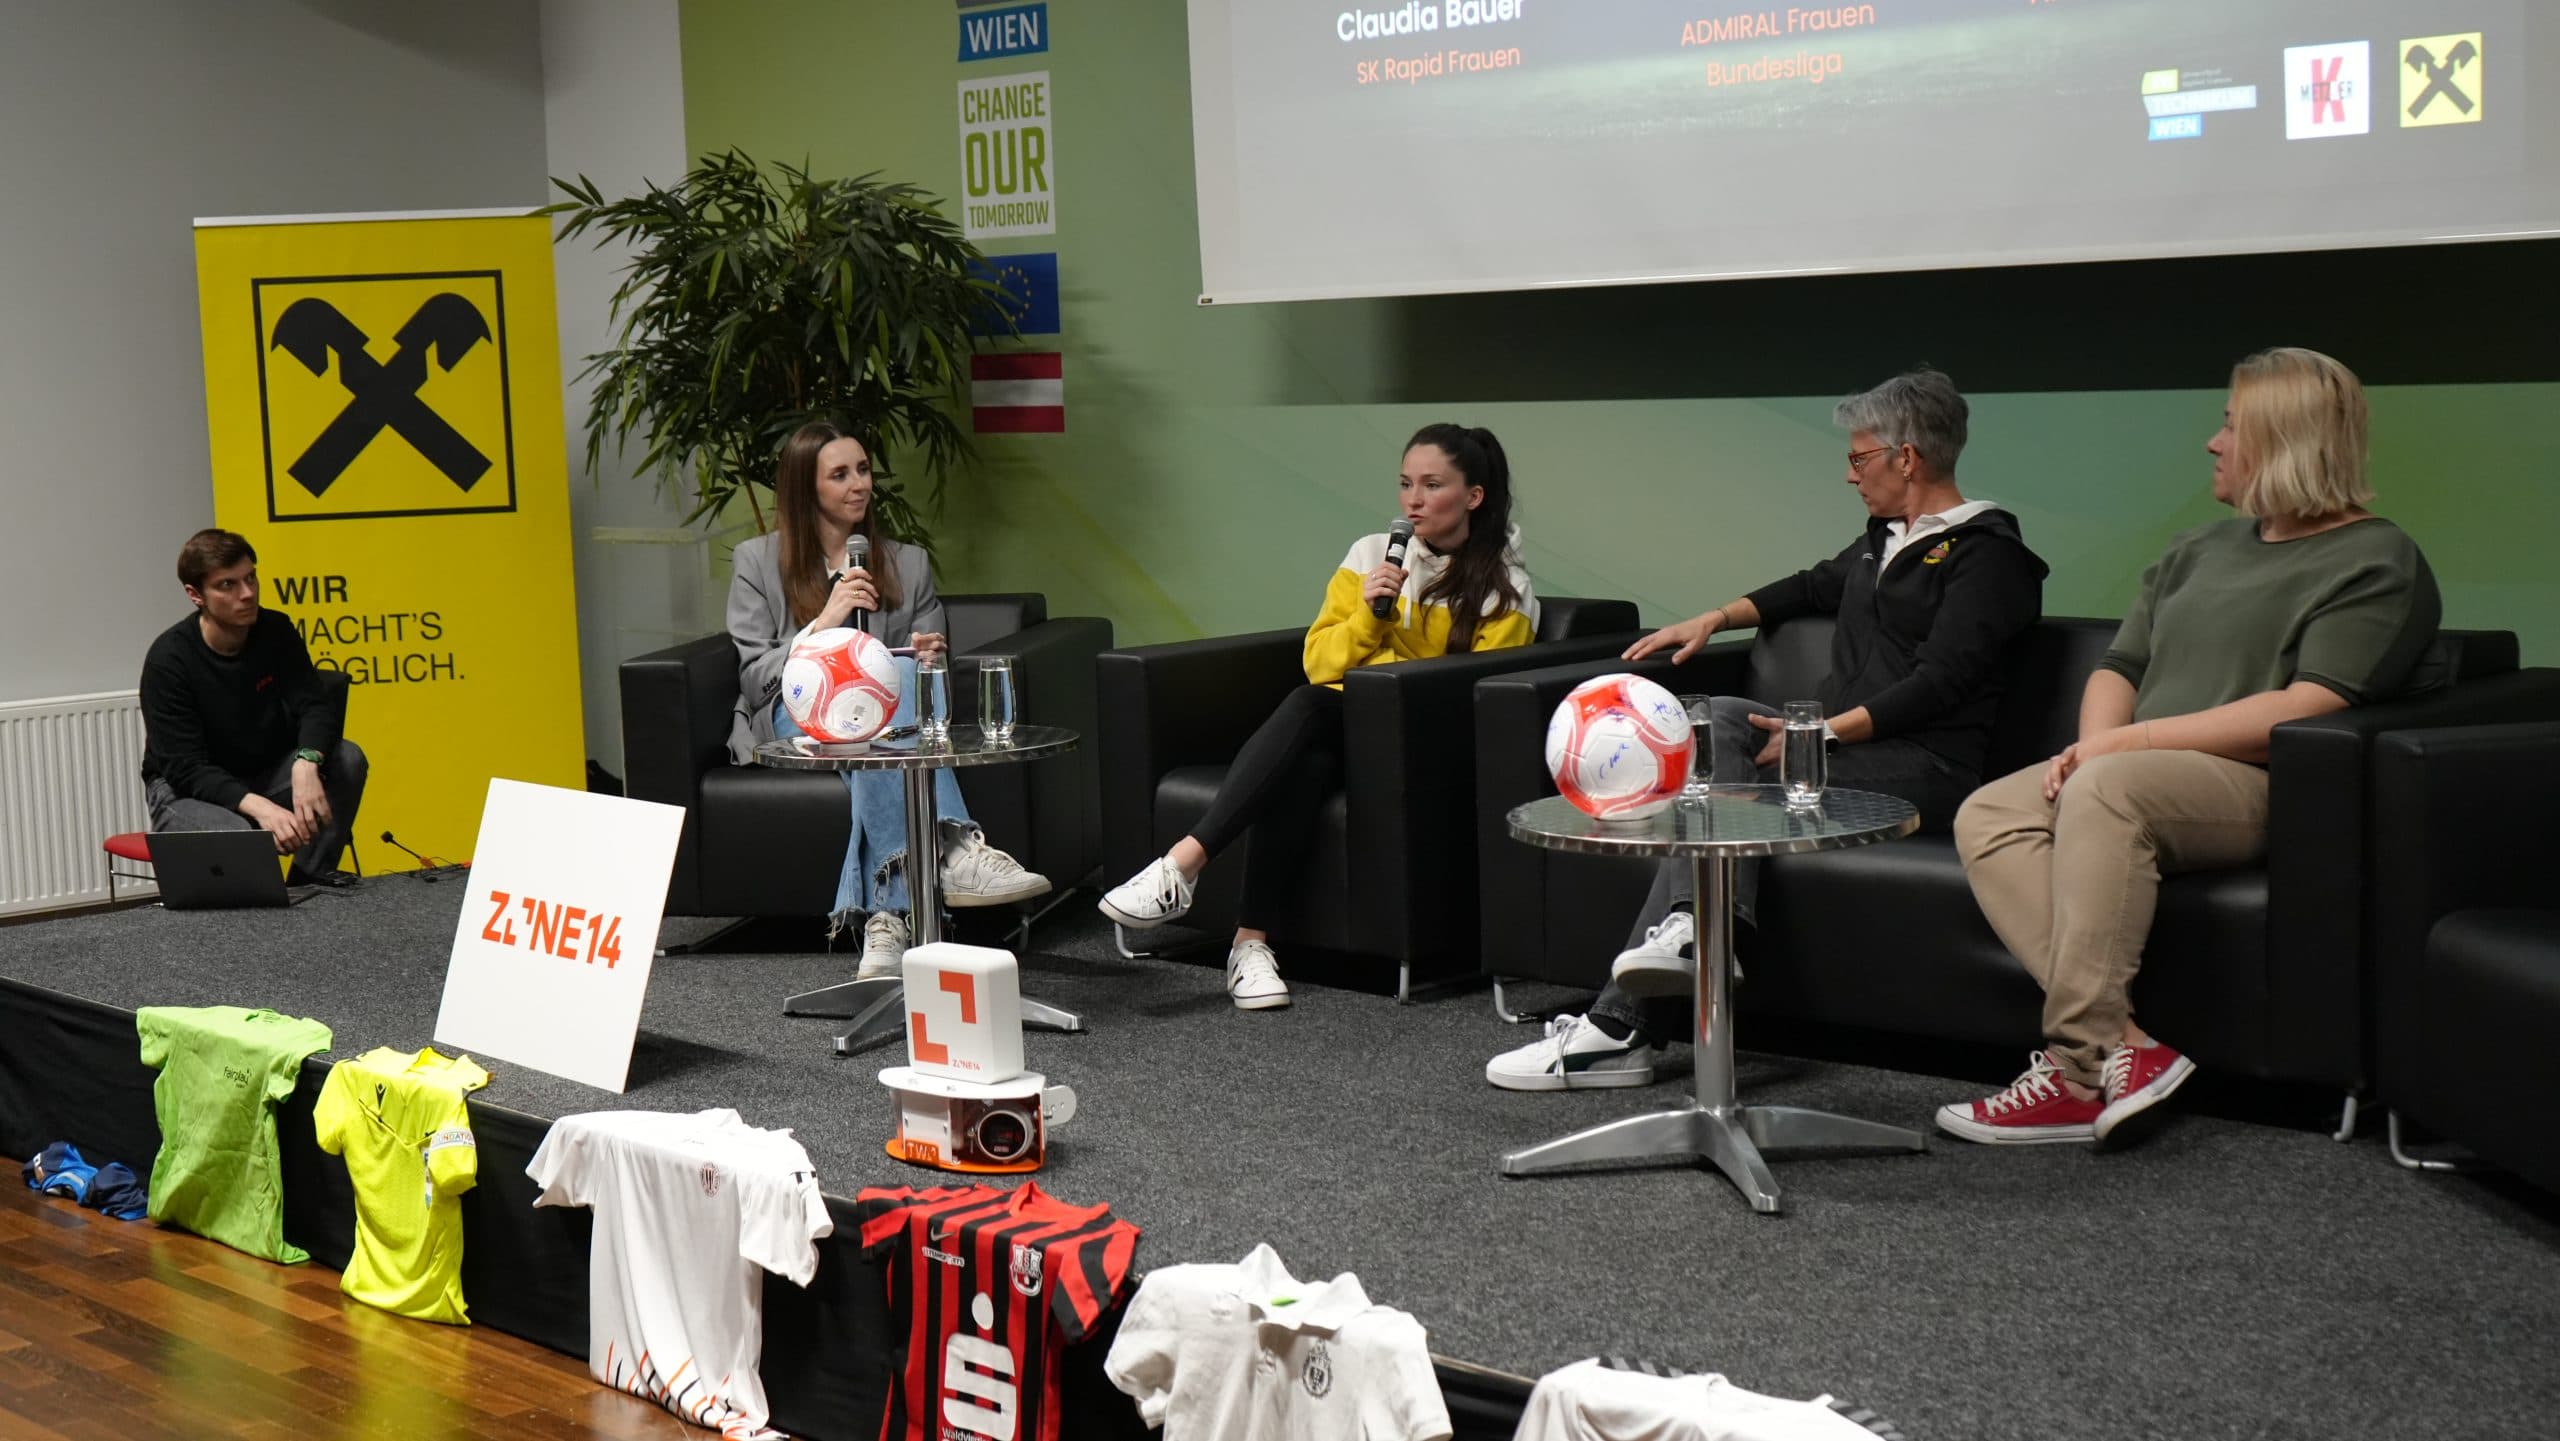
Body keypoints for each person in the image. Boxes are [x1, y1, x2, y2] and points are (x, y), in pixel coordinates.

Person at [1485, 369, 2047, 1090]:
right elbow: (1812, 585)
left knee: (1725, 789)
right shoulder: (1885, 540)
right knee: (1716, 717)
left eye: (1859, 457)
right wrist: (1714, 618)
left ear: (1907, 457)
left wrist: (1823, 736)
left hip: (1926, 768)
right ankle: (1690, 933)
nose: (1851, 474)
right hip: (1843, 751)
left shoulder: (1989, 555)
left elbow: (1942, 680)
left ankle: (1621, 1026)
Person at [1939, 347, 2442, 1146]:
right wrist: (2101, 745)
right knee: (1991, 811)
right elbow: (2121, 664)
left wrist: (2119, 753)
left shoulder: (2377, 558)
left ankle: (2074, 1069)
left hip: (2261, 785)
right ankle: (2125, 1046)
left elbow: (2312, 703)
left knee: (2106, 789)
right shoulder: (2195, 548)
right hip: (2140, 773)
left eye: (2231, 425)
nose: (2213, 442)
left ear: (2285, 438)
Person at [1098, 424, 1540, 1010]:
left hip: (1430, 746)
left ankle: (1183, 864)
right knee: (1304, 762)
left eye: (1433, 485)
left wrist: (1385, 663)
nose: (1413, 500)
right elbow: (1318, 660)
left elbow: (1469, 697)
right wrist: (1371, 617)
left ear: (1473, 497)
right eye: (1406, 483)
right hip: (1350, 727)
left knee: (1310, 711)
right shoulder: (1369, 556)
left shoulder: (1505, 588)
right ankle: (1249, 946)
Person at [726, 420, 1048, 979]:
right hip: (794, 711)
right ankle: (957, 851)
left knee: (880, 699)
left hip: (887, 714)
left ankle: (888, 918)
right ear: (807, 488)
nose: (860, 485)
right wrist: (823, 623)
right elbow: (755, 678)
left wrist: (930, 656)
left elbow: (931, 675)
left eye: (864, 470)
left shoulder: (908, 562)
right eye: (840, 474)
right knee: (865, 701)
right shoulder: (757, 561)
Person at [139, 528, 366, 886]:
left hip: (262, 772)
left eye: (250, 578)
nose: (247, 594)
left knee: (347, 759)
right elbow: (185, 768)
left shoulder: (275, 630)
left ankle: (308, 880)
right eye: (227, 585)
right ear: (196, 595)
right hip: (185, 790)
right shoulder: (169, 660)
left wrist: (307, 762)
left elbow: (315, 704)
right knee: (241, 838)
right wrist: (261, 808)